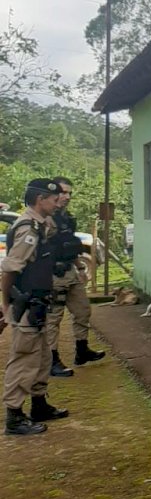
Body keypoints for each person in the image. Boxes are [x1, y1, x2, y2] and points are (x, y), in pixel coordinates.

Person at [1, 179, 70, 436]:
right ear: (41, 199)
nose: (57, 202)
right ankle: (14, 416)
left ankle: (39, 405)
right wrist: (5, 303)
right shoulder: (28, 229)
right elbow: (9, 268)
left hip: (39, 302)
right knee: (23, 360)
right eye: (53, 199)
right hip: (27, 304)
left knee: (41, 358)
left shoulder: (42, 225)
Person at [47, 175, 106, 376]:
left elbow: (70, 247)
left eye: (69, 193)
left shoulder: (66, 218)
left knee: (83, 310)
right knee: (53, 318)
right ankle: (51, 361)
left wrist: (80, 268)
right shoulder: (45, 218)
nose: (67, 196)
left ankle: (82, 350)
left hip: (71, 272)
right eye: (63, 192)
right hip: (53, 275)